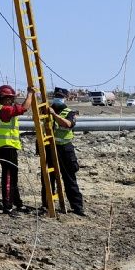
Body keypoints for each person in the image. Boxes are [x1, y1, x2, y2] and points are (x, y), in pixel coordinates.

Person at [0, 83, 34, 215]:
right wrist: (30, 93)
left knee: (13, 176)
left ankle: (17, 203)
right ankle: (7, 206)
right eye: (11, 98)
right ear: (5, 98)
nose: (12, 101)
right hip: (7, 146)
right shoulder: (5, 110)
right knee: (9, 176)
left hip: (4, 146)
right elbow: (24, 108)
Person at [47, 87, 86, 216]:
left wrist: (53, 114)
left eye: (60, 96)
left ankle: (77, 207)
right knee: (48, 178)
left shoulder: (70, 112)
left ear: (65, 98)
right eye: (56, 96)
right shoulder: (45, 110)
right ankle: (47, 204)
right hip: (50, 148)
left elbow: (68, 124)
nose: (58, 98)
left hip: (65, 148)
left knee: (69, 178)